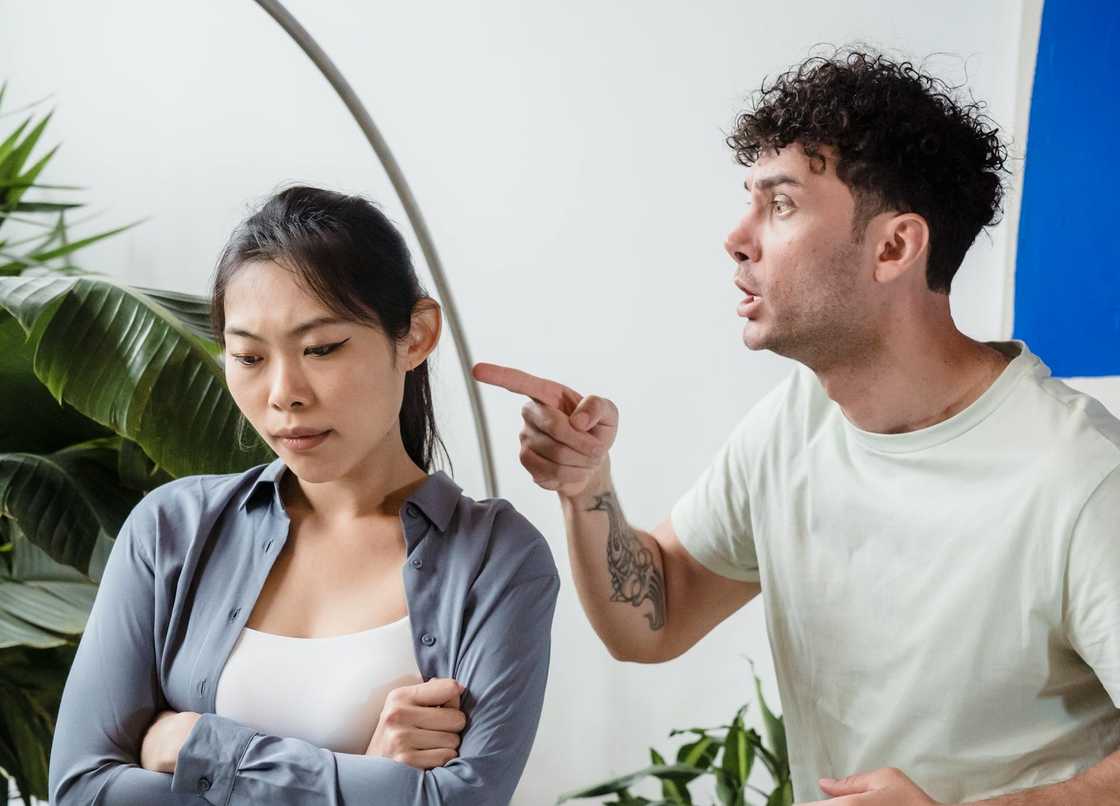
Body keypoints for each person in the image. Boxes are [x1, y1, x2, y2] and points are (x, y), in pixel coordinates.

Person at [475, 51, 1120, 804]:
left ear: (894, 247)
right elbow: (655, 618)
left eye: (779, 205)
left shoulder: (1077, 477)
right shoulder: (796, 420)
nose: (737, 237)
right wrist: (587, 485)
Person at [49, 186, 559, 805]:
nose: (283, 393)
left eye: (322, 348)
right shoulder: (170, 529)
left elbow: (462, 802)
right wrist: (362, 774)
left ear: (417, 336)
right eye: (249, 356)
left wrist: (197, 747)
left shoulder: (496, 559)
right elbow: (83, 790)